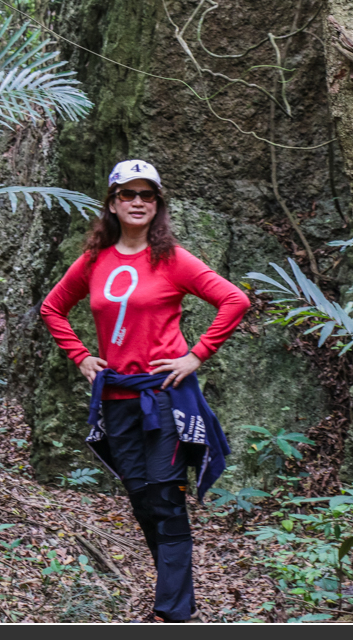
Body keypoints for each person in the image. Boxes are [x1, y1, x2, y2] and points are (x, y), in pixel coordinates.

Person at [40, 159, 250, 622]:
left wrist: (196, 355)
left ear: (157, 204)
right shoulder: (94, 261)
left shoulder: (172, 259)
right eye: (128, 194)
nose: (137, 202)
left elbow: (235, 300)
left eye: (147, 195)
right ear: (112, 203)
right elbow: (52, 308)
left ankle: (171, 614)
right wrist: (81, 356)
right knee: (140, 498)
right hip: (117, 398)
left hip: (165, 397)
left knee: (165, 499)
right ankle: (178, 600)